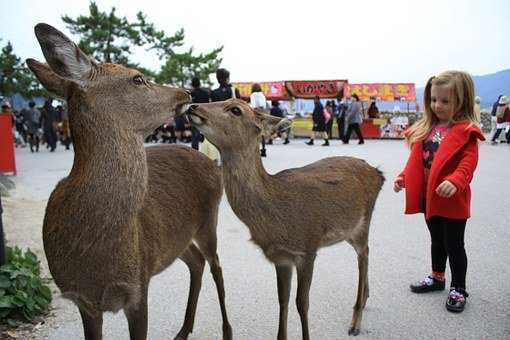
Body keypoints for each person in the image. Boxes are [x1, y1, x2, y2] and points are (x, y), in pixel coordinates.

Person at [393, 70, 485, 313]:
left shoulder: (466, 131)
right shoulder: (428, 128)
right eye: (434, 100)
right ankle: (437, 277)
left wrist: (456, 180)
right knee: (436, 241)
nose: (437, 105)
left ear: (462, 101)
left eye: (445, 101)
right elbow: (417, 160)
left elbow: (468, 162)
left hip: (452, 199)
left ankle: (459, 287)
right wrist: (404, 177)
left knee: (454, 244)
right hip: (430, 198)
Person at [190, 77, 210, 150]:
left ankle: (194, 152)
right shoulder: (205, 93)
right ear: (199, 83)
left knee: (195, 135)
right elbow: (208, 105)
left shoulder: (191, 94)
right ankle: (207, 151)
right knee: (207, 135)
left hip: (194, 116)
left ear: (192, 84)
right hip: (204, 115)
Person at [250, 83, 268, 157]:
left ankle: (256, 150)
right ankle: (263, 150)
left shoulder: (253, 95)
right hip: (263, 113)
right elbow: (264, 105)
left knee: (255, 133)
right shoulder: (262, 95)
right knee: (262, 132)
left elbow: (253, 106)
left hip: (256, 113)